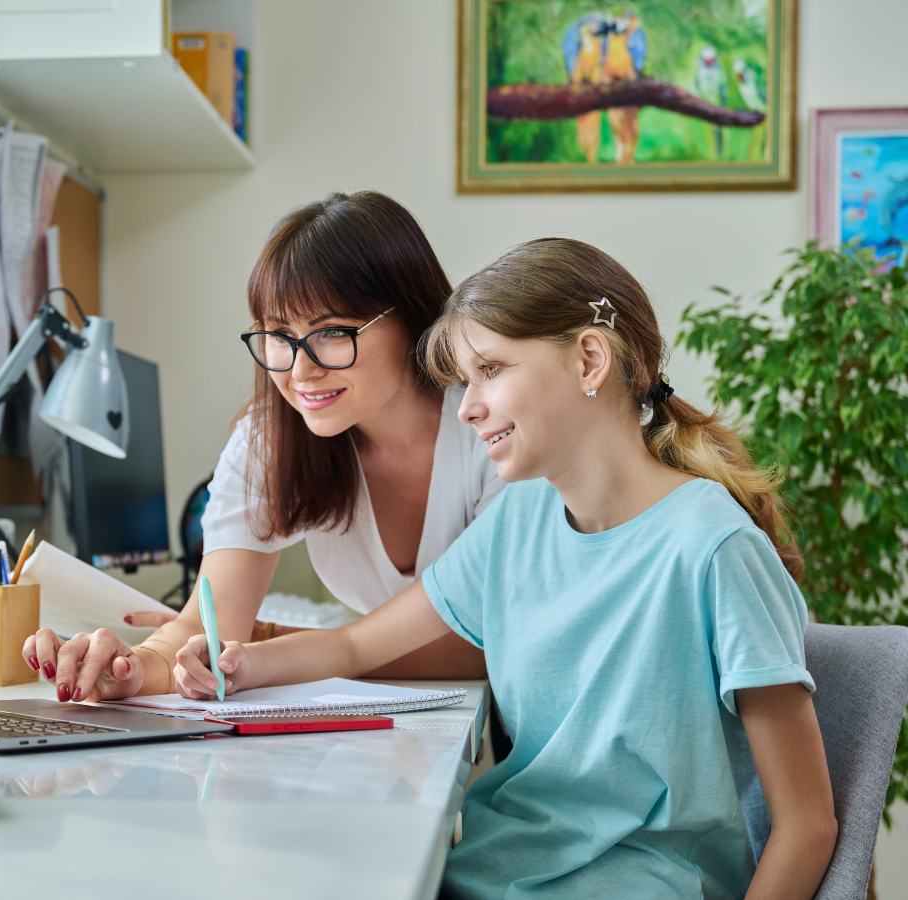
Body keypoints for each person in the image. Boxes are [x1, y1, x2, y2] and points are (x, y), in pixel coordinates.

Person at [172, 238, 837, 898]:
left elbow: (806, 827)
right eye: (465, 381)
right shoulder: (517, 521)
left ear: (589, 359)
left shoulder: (713, 549)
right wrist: (241, 663)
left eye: (490, 370)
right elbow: (354, 644)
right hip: (491, 868)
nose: (466, 406)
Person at [22, 191, 503, 701]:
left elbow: (485, 646)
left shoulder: (491, 427)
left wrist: (266, 643)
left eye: (333, 332)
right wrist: (130, 667)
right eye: (278, 334)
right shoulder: (272, 436)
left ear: (413, 319)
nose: (300, 371)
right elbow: (206, 628)